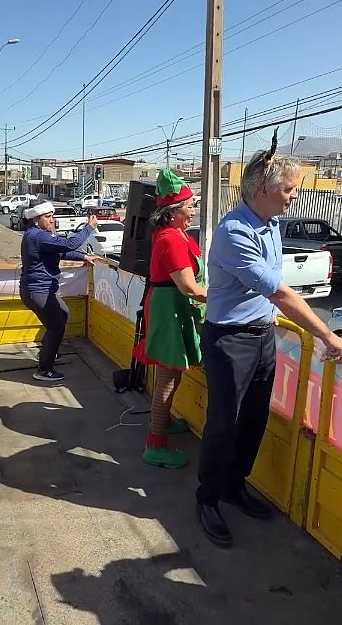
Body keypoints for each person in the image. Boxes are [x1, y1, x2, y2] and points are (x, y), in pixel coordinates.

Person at [196, 130, 342, 547]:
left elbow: (275, 292)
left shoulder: (270, 225)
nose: (294, 196)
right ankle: (208, 497)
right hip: (230, 340)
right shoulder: (235, 232)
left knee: (253, 420)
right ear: (263, 190)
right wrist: (327, 335)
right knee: (223, 424)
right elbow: (280, 292)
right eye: (288, 189)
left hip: (262, 335)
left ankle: (234, 485)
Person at [131, 169, 205, 469]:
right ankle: (155, 443)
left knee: (172, 373)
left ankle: (162, 423)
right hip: (169, 309)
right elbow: (190, 288)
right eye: (190, 206)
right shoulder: (171, 239)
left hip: (171, 306)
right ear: (174, 212)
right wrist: (226, 299)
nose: (193, 211)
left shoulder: (173, 234)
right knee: (167, 375)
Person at [19, 199, 99, 382]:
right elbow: (69, 244)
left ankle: (48, 352)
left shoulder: (35, 235)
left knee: (62, 315)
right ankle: (44, 369)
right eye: (47, 216)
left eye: (52, 216)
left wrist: (84, 256)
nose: (52, 220)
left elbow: (61, 252)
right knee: (56, 326)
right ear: (35, 219)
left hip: (39, 290)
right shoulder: (38, 236)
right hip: (38, 291)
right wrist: (89, 228)